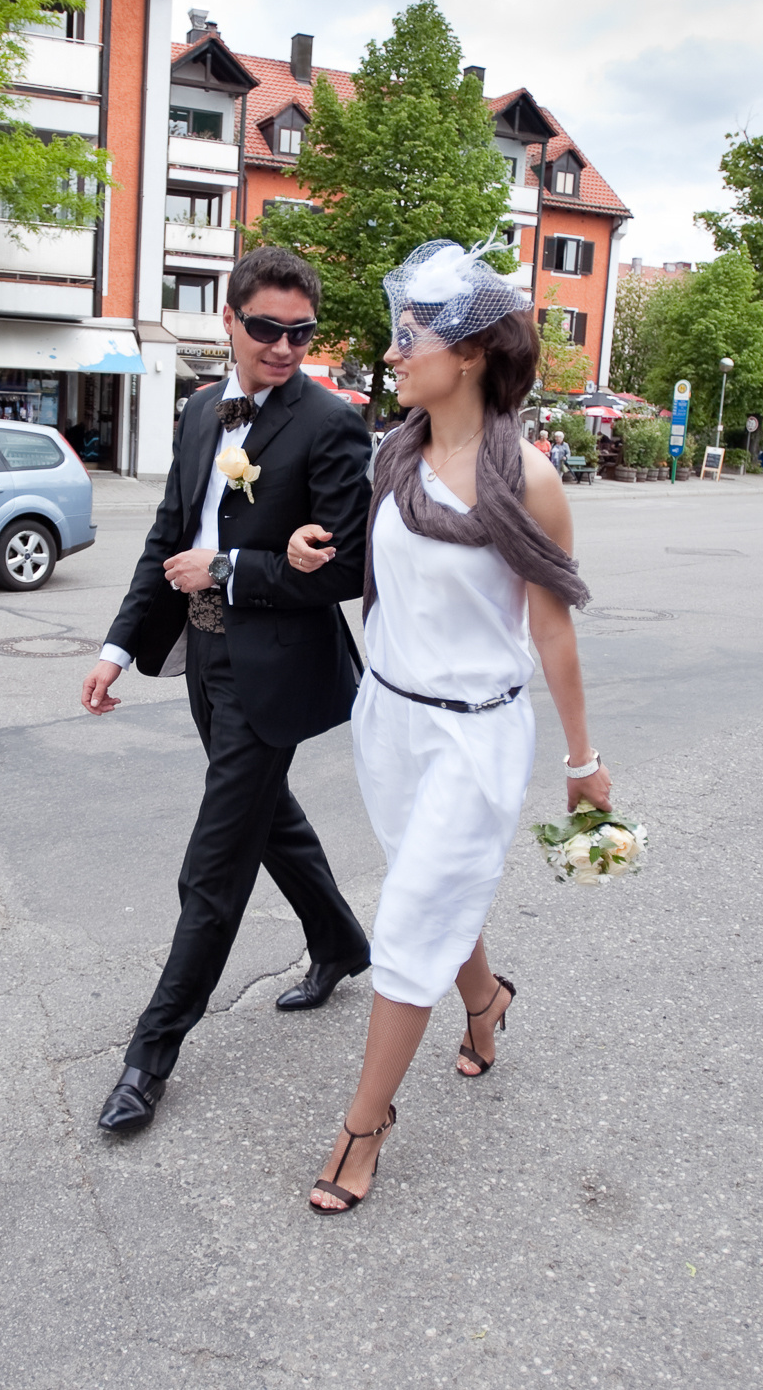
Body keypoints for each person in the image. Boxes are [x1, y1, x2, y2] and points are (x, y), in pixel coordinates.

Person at [282, 238, 609, 1216]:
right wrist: (309, 549)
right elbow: (381, 572)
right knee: (431, 891)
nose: (392, 354)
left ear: (465, 352)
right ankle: (484, 1000)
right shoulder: (397, 453)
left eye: (407, 337)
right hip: (387, 719)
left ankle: (363, 1127)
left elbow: (551, 624)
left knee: (412, 913)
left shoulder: (529, 479)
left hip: (474, 736)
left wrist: (584, 758)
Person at [78, 246, 376, 1136]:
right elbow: (169, 531)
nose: (285, 347)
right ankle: (341, 942)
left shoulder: (332, 422)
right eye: (268, 329)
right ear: (230, 323)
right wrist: (117, 647)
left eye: (302, 332)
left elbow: (345, 567)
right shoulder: (201, 409)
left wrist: (231, 568)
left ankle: (149, 1055)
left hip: (274, 668)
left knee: (213, 865)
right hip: (204, 662)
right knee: (264, 815)